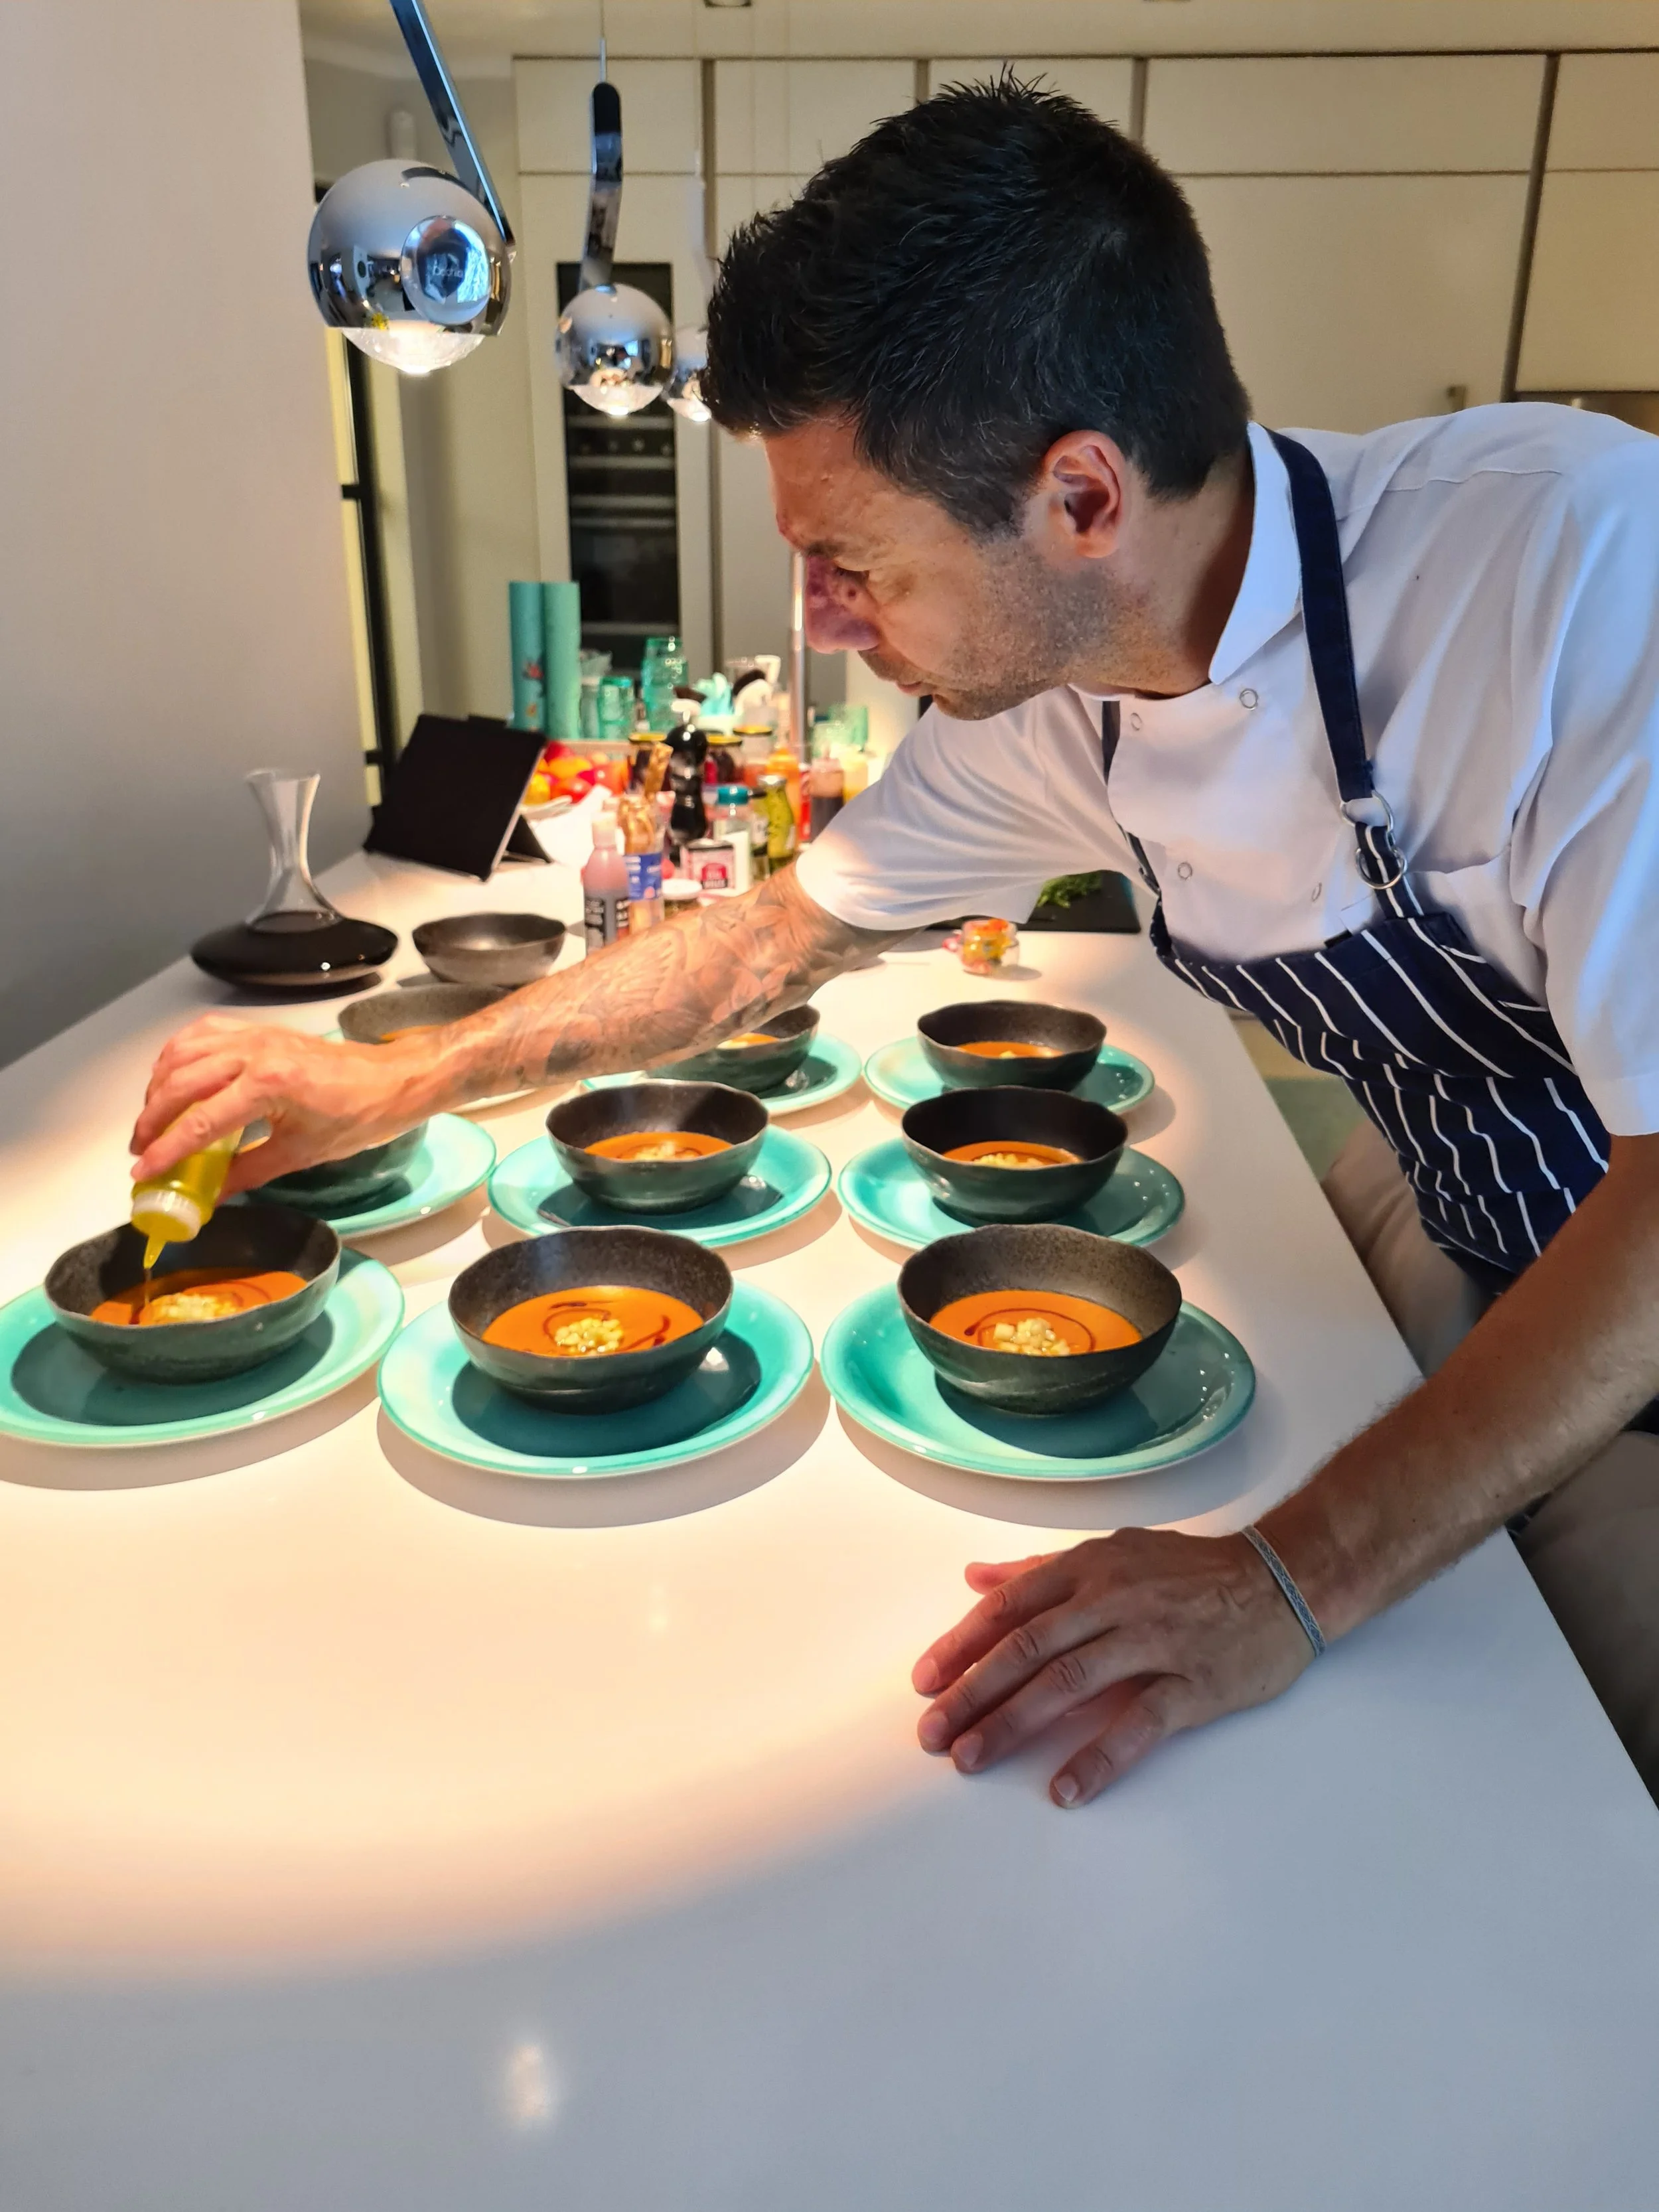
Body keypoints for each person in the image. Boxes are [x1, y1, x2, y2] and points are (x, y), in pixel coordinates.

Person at [133, 79, 1659, 1806]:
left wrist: (1285, 1578)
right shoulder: (1050, 697)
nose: (819, 626)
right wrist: (387, 1079)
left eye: (851, 562)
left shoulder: (1573, 574)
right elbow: (755, 946)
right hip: (1465, 1223)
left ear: (1080, 498)